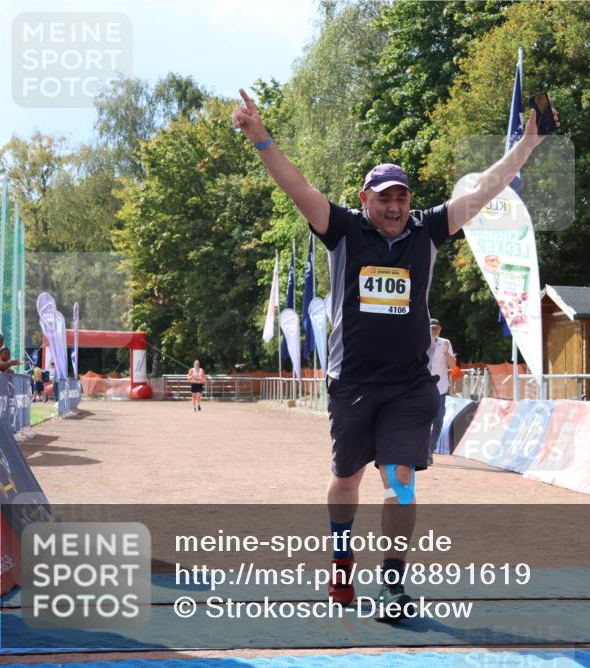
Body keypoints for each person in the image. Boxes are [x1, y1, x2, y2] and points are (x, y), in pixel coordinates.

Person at [233, 86, 557, 621]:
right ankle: (341, 558)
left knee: (399, 483)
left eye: (401, 197)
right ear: (366, 200)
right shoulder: (342, 230)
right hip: (353, 383)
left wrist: (529, 143)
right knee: (345, 480)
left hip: (410, 386)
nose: (394, 206)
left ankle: (392, 584)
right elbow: (296, 187)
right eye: (384, 197)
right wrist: (261, 137)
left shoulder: (427, 229)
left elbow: (485, 188)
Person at [427, 318, 457, 463]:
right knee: (424, 421)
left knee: (438, 421)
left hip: (440, 388)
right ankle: (420, 450)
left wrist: (446, 353)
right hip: (423, 387)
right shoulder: (420, 341)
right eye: (432, 328)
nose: (434, 331)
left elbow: (453, 365)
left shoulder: (446, 343)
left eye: (436, 328)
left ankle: (429, 452)